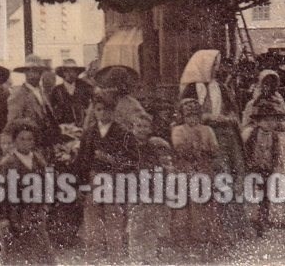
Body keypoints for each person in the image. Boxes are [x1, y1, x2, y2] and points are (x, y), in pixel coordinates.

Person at [179, 49, 248, 239]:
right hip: (202, 136)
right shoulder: (192, 89)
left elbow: (233, 112)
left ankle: (232, 225)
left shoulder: (222, 88)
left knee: (230, 177)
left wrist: (228, 118)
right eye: (213, 65)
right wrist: (208, 118)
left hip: (226, 136)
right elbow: (186, 114)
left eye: (217, 65)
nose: (216, 69)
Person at [74, 91, 138, 261]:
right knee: (93, 223)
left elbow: (132, 160)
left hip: (114, 181)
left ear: (113, 110)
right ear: (94, 111)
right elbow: (81, 161)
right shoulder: (89, 133)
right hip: (94, 181)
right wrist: (81, 184)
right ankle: (93, 259)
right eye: (99, 109)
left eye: (107, 109)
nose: (103, 113)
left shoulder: (123, 133)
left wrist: (112, 160)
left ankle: (115, 259)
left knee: (114, 222)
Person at [242, 73, 285, 228]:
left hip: (279, 142)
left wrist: (281, 128)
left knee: (280, 174)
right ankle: (260, 214)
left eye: (272, 84)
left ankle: (280, 214)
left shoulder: (280, 102)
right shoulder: (253, 103)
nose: (269, 87)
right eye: (266, 83)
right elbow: (246, 122)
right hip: (259, 140)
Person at [0, 118, 55, 265]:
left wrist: (45, 206)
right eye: (22, 139)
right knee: (16, 257)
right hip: (14, 217)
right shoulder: (7, 163)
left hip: (35, 215)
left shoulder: (38, 160)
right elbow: (0, 194)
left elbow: (47, 185)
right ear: (15, 140)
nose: (26, 142)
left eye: (29, 139)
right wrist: (3, 218)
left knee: (42, 254)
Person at [170, 98, 224, 253]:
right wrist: (196, 149)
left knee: (206, 203)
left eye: (195, 115)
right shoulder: (178, 130)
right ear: (183, 116)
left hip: (204, 170)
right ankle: (186, 238)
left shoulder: (207, 130)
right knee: (186, 205)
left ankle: (206, 236)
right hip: (185, 170)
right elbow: (179, 147)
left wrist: (203, 150)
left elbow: (214, 148)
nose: (192, 119)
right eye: (188, 115)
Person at [126, 112, 173, 263]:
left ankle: (150, 258)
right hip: (134, 191)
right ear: (132, 128)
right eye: (138, 126)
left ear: (150, 129)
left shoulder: (154, 148)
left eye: (145, 126)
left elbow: (160, 169)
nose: (141, 129)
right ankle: (136, 260)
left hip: (151, 191)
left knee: (151, 227)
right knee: (135, 228)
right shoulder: (128, 147)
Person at [7, 54, 61, 157]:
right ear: (25, 73)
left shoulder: (42, 92)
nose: (33, 75)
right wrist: (30, 124)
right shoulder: (18, 94)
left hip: (45, 144)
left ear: (41, 73)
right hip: (29, 145)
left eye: (36, 71)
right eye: (29, 71)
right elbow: (12, 122)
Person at [84, 65, 145, 131]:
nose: (116, 87)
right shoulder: (98, 101)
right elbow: (87, 125)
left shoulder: (133, 104)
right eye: (113, 83)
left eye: (120, 83)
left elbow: (143, 124)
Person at [49, 59, 93, 128]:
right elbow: (53, 114)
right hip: (64, 130)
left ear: (77, 73)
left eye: (73, 71)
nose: (70, 74)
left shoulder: (85, 88)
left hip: (83, 128)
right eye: (67, 71)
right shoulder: (56, 91)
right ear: (63, 73)